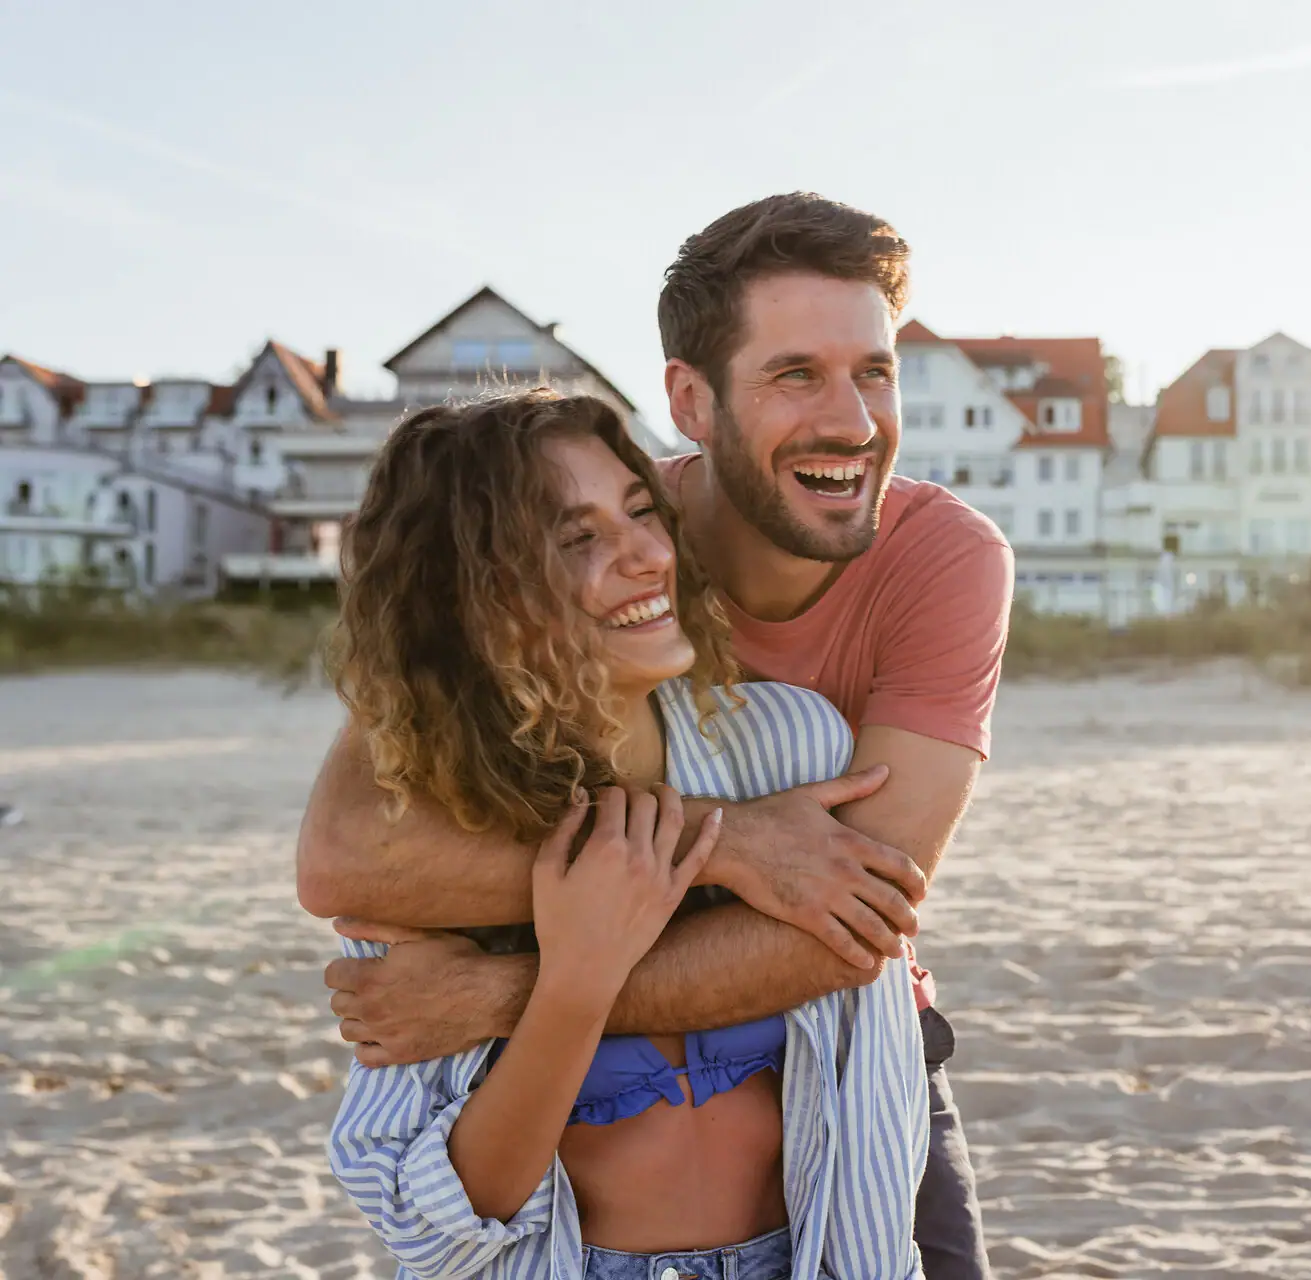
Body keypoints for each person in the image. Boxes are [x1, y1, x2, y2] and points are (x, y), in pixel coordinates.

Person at [300, 193, 1013, 1280]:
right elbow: (351, 857)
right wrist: (719, 846)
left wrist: (516, 991)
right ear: (691, 396)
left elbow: (850, 915)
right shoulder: (553, 550)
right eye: (794, 374)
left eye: (874, 370)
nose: (855, 420)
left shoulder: (891, 619)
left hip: (838, 1067)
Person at [325, 389, 927, 1279]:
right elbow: (430, 1223)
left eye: (642, 513)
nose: (647, 556)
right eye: (578, 539)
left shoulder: (791, 747)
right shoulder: (425, 836)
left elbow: (870, 1071)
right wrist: (574, 979)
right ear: (475, 600)